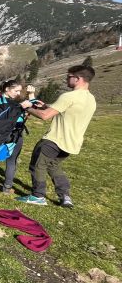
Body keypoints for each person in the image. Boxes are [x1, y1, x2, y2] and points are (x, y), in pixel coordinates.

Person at [17, 65, 96, 208]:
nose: (66, 78)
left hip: (54, 139)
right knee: (54, 166)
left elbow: (45, 116)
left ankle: (37, 196)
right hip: (72, 143)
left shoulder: (69, 96)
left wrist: (26, 107)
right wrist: (46, 105)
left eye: (69, 76)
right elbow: (67, 111)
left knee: (37, 165)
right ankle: (65, 196)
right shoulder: (91, 99)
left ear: (78, 79)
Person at [0, 80, 36, 194]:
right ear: (7, 89)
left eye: (19, 91)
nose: (18, 93)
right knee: (11, 161)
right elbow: (35, 106)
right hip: (14, 134)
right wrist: (31, 95)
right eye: (16, 91)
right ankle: (6, 188)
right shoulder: (15, 105)